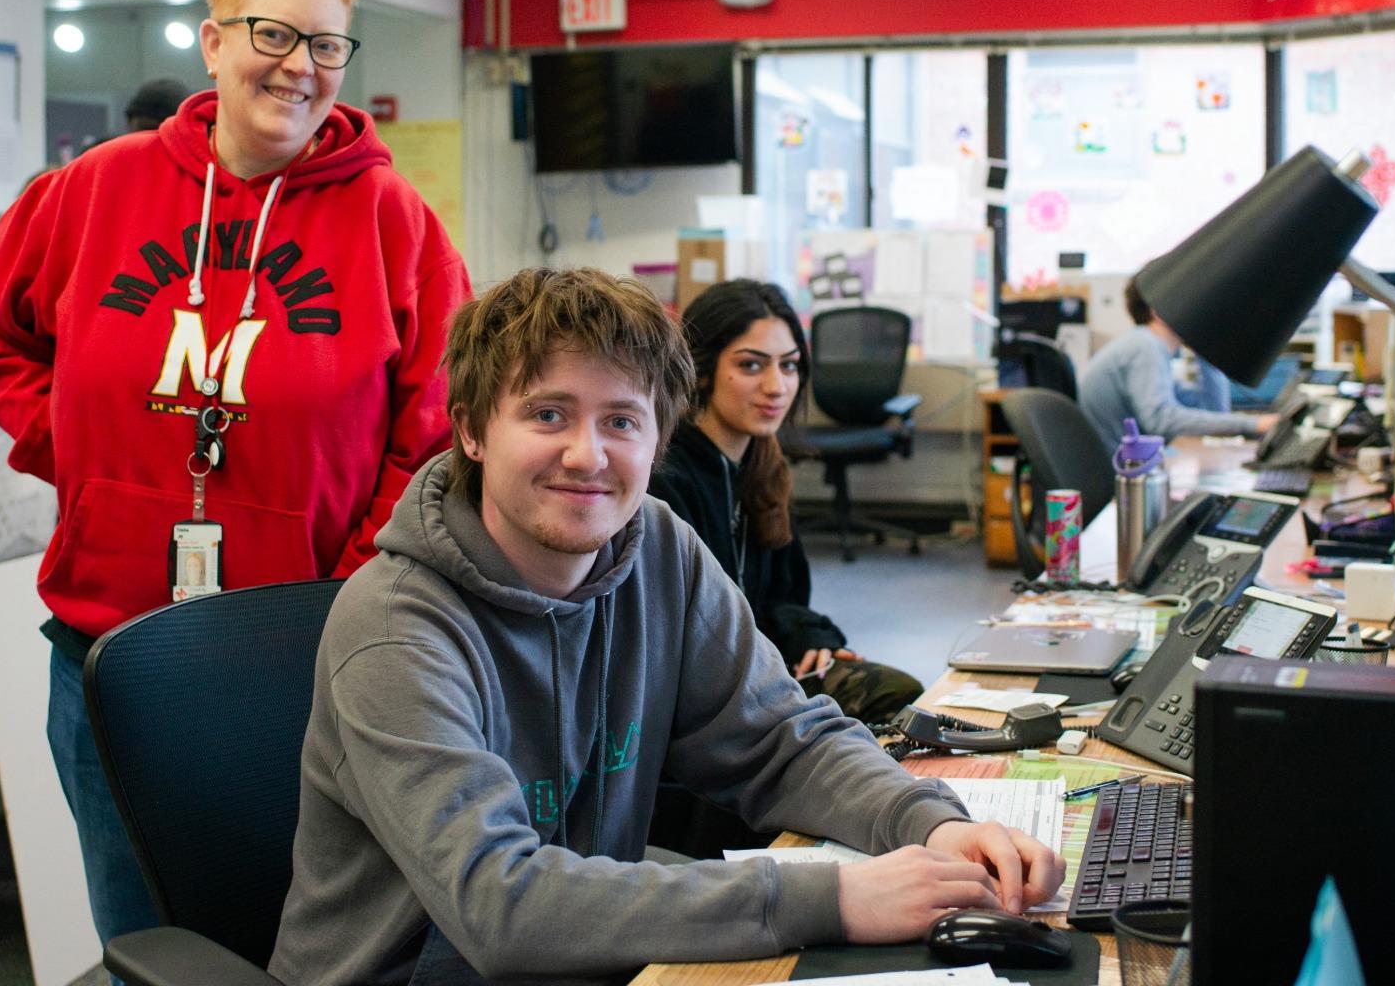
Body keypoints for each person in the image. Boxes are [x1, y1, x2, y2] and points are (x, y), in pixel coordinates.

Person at [269, 268, 1063, 985]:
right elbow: (498, 905)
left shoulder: (657, 548)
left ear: (658, 436)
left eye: (622, 421)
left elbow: (781, 740)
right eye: (549, 414)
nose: (587, 455)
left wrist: (925, 826)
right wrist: (836, 895)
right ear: (472, 431)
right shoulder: (397, 624)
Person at [0, 0, 471, 949]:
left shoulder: (392, 221)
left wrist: (355, 569)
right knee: (146, 941)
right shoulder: (94, 188)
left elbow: (441, 427)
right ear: (213, 40)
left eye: (327, 45)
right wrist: (73, 446)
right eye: (274, 33)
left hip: (303, 655)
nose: (300, 66)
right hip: (113, 646)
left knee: (307, 943)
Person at [647, 278, 923, 724]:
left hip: (761, 666)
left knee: (896, 698)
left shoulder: (761, 466)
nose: (777, 386)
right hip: (702, 699)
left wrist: (809, 637)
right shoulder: (668, 481)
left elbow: (777, 600)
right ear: (701, 369)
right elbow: (691, 634)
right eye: (752, 366)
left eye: (790, 366)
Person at [1078, 277, 1275, 451]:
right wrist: (1253, 424)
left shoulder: (1153, 347)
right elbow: (1161, 420)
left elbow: (1213, 411)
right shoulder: (1145, 346)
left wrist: (1206, 350)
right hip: (1123, 473)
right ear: (1158, 311)